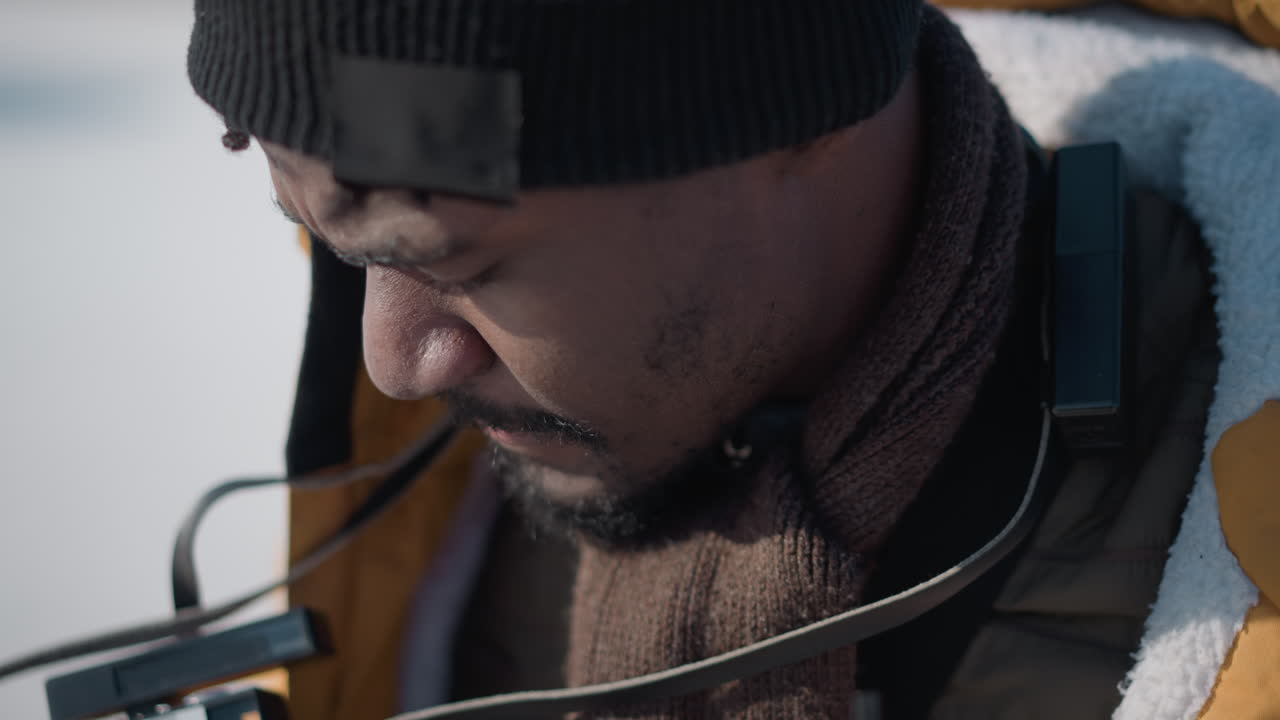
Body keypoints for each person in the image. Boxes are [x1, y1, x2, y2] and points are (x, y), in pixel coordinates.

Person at [187, 1, 1280, 718]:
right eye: (333, 241)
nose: (398, 363)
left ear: (794, 121)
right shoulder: (449, 483)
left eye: (455, 258)